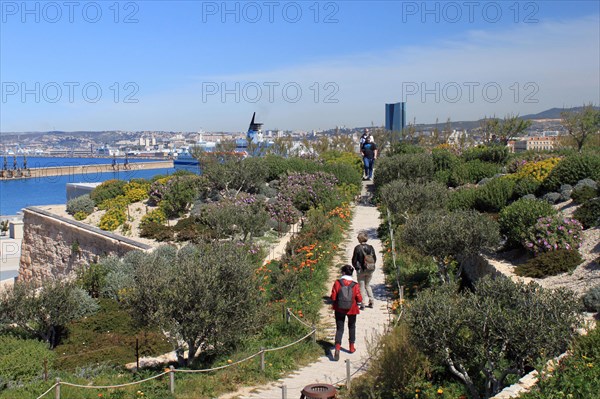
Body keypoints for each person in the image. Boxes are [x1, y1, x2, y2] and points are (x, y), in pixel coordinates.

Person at [330, 264, 362, 361]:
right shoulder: (355, 284)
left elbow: (333, 297)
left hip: (339, 308)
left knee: (340, 328)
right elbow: (359, 298)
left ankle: (337, 348)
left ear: (343, 272)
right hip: (352, 309)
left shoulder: (337, 283)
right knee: (352, 327)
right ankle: (351, 347)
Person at [352, 232, 376, 310]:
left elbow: (354, 260)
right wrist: (370, 265)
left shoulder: (357, 248)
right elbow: (374, 258)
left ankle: (363, 303)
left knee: (361, 287)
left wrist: (356, 268)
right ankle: (371, 301)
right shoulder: (371, 247)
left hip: (361, 270)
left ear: (360, 239)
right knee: (368, 285)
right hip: (369, 269)